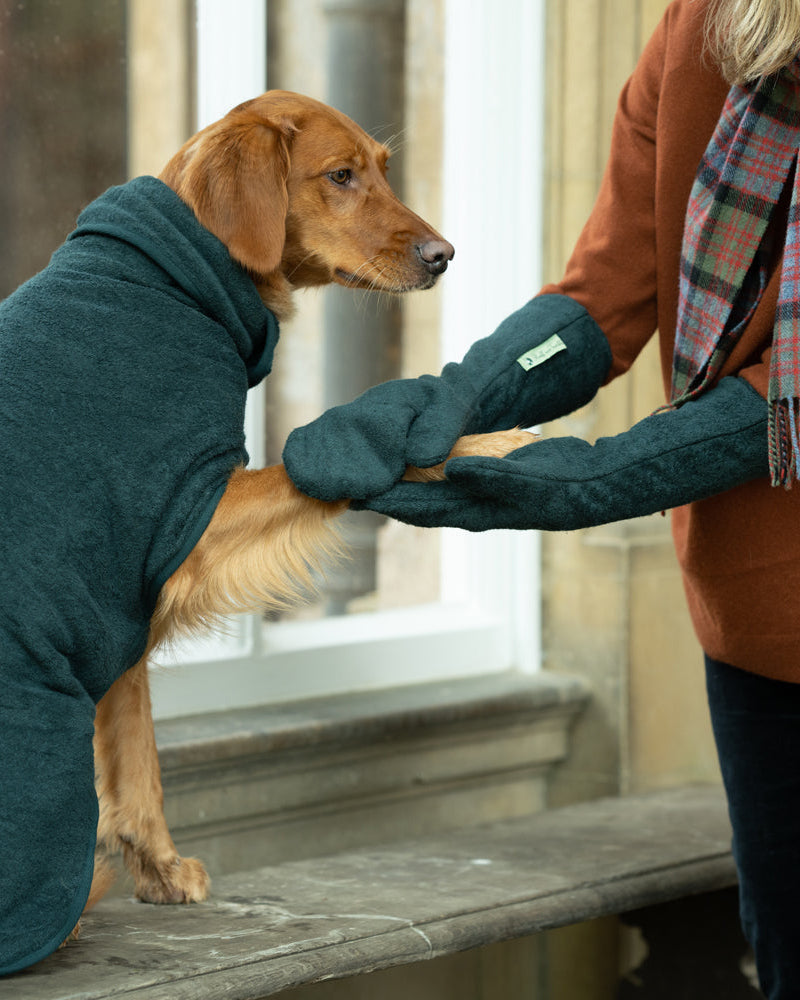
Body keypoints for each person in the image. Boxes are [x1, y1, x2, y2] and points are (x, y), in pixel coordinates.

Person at [281, 1, 800, 996]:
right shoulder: (705, 30)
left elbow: (787, 392)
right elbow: (606, 293)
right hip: (758, 616)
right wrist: (463, 393)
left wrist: (593, 481)